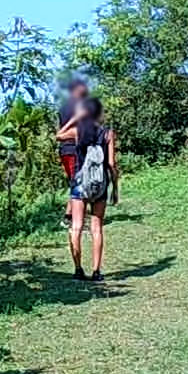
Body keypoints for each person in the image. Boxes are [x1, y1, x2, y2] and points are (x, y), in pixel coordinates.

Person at [55, 96, 118, 282]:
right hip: (100, 184)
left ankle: (78, 270)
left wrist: (75, 119)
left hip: (80, 183)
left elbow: (59, 135)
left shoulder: (77, 131)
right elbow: (112, 164)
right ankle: (97, 272)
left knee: (76, 226)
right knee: (97, 228)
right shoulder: (108, 134)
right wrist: (115, 189)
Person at [56, 79, 90, 228]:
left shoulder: (64, 107)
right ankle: (71, 218)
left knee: (76, 182)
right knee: (77, 183)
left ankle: (71, 216)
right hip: (73, 149)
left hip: (65, 149)